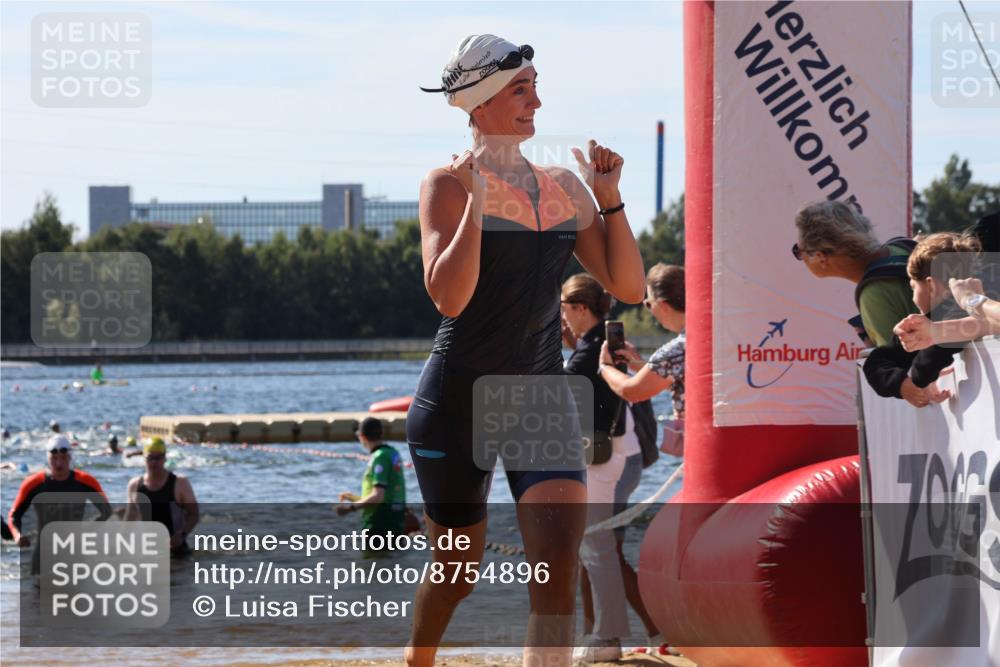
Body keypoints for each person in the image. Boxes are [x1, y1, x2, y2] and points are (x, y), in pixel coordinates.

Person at [409, 34, 645, 667]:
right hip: (457, 398)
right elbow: (449, 299)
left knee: (557, 558)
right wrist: (479, 208)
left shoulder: (564, 185)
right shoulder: (447, 184)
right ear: (481, 101)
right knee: (458, 569)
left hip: (539, 394)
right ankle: (418, 660)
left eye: (536, 86)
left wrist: (609, 196)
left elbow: (628, 286)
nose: (536, 100)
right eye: (521, 88)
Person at [561, 274, 660, 661]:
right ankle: (620, 632)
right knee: (600, 551)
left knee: (598, 549)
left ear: (580, 309)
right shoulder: (594, 349)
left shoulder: (588, 354)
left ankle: (607, 638)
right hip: (618, 458)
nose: (562, 318)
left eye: (565, 310)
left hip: (606, 462)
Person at [864, 232, 982, 406]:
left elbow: (945, 341)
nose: (913, 297)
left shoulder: (970, 311)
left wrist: (918, 379)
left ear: (931, 285)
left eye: (913, 288)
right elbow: (876, 362)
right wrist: (903, 385)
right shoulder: (921, 325)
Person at [793, 200, 919, 347]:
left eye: (798, 251)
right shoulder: (903, 247)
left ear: (820, 257)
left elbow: (897, 366)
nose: (800, 257)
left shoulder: (873, 293)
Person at [7, 435, 112, 573]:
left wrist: (89, 529)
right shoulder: (33, 484)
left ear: (70, 457)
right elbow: (14, 515)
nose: (58, 464)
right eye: (54, 459)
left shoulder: (85, 482)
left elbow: (107, 512)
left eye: (63, 458)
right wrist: (17, 535)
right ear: (48, 459)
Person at [126, 438, 199, 557]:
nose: (154, 462)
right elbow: (129, 520)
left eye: (158, 458)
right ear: (144, 459)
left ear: (165, 458)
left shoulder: (180, 483)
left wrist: (182, 534)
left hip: (176, 552)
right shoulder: (135, 485)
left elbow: (194, 514)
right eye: (150, 458)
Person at [336, 417, 407, 536]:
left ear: (362, 437)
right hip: (396, 522)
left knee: (373, 555)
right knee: (390, 554)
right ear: (381, 433)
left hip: (379, 525)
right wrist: (354, 498)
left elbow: (378, 497)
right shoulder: (393, 453)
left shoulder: (379, 457)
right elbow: (388, 493)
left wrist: (349, 509)